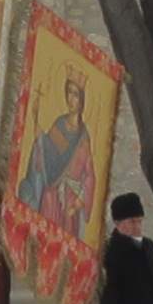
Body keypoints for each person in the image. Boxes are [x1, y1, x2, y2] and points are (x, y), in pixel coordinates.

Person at [14, 70, 96, 237]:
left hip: (69, 204)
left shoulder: (83, 137)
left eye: (75, 95)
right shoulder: (60, 123)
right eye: (69, 93)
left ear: (82, 100)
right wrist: (40, 137)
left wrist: (78, 203)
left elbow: (90, 175)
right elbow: (49, 151)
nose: (71, 99)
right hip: (51, 196)